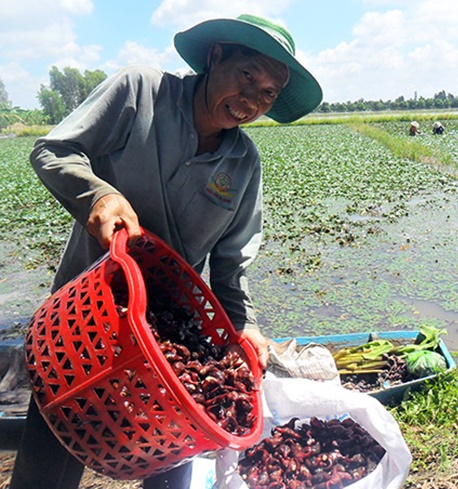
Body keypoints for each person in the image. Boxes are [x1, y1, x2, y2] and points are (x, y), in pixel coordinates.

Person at [10, 13, 322, 489]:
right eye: (246, 76)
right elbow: (53, 150)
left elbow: (231, 267)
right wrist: (98, 195)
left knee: (172, 454)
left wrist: (246, 328)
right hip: (85, 326)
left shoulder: (242, 164)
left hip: (172, 343)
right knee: (52, 456)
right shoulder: (140, 93)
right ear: (216, 56)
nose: (250, 101)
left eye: (267, 93)